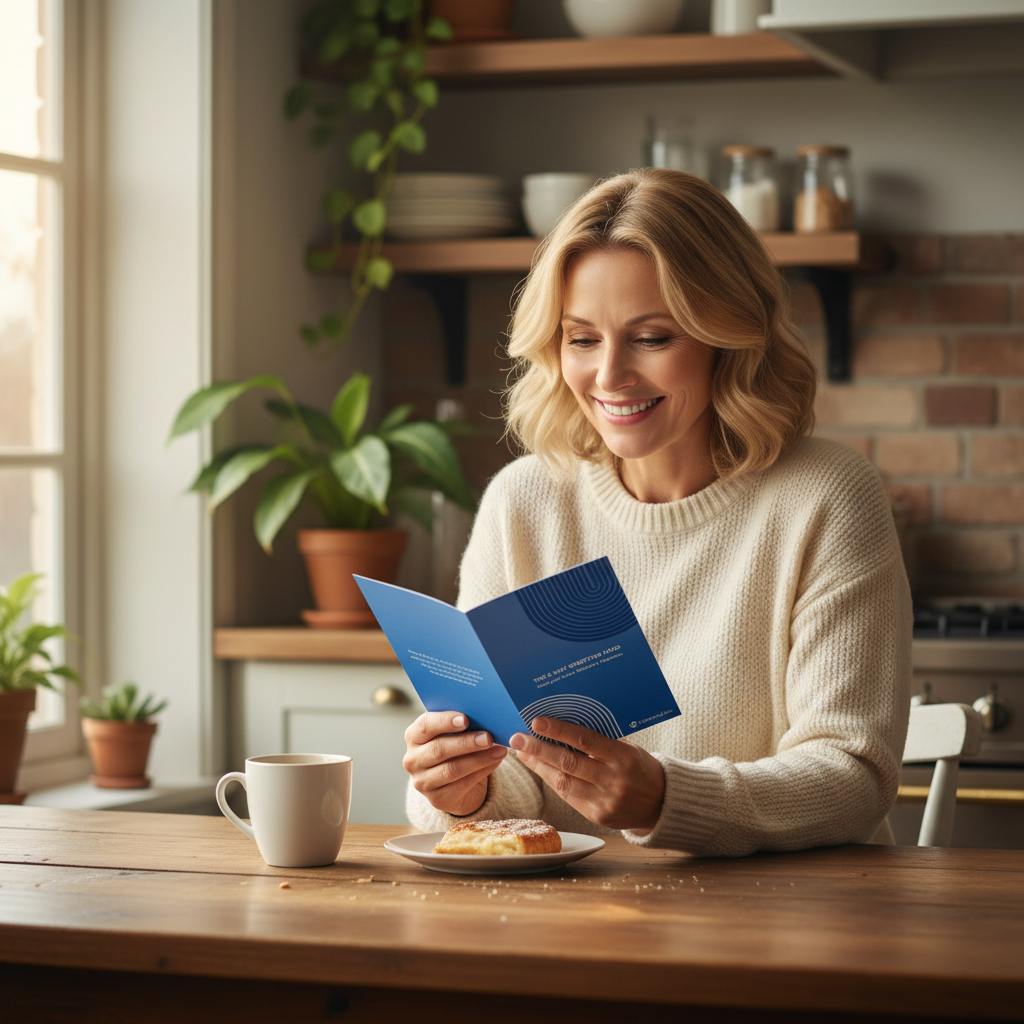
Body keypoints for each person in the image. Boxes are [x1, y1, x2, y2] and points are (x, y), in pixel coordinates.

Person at [402, 168, 912, 857]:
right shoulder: (524, 503)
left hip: (788, 908)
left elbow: (853, 777)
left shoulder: (825, 497)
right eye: (582, 338)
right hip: (571, 913)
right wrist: (466, 789)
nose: (610, 376)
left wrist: (669, 799)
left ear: (728, 337)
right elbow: (515, 767)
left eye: (651, 338)